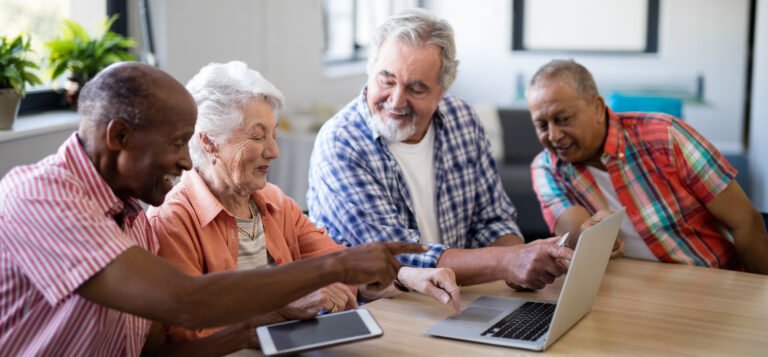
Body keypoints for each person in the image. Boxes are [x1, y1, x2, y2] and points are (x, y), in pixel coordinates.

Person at [0, 62, 425, 356]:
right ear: (120, 137)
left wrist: (250, 333)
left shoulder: (133, 219)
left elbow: (162, 350)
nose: (186, 163)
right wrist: (336, 266)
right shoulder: (42, 196)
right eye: (175, 143)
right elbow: (186, 303)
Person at [147, 61, 460, 349]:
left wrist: (407, 275)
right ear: (208, 141)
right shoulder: (173, 219)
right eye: (257, 137)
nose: (274, 151)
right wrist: (279, 305)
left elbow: (340, 263)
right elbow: (186, 336)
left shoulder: (275, 202)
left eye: (273, 134)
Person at [306, 9, 573, 290]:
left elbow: (492, 220)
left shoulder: (463, 120)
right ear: (370, 71)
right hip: (379, 309)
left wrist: (520, 264)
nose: (396, 101)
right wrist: (507, 261)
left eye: (416, 88)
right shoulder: (341, 143)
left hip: (455, 298)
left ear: (442, 90)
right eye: (387, 80)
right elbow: (395, 256)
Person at [527, 59, 768, 274]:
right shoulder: (547, 168)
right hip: (630, 293)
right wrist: (593, 236)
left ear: (598, 109)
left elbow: (747, 221)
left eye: (563, 119)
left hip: (710, 280)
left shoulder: (666, 136)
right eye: (542, 125)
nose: (554, 135)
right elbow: (576, 237)